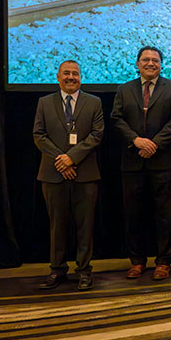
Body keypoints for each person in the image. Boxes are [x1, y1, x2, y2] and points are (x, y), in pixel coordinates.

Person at [111, 46, 171, 280]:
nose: (150, 63)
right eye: (146, 60)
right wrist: (136, 140)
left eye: (155, 60)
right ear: (137, 63)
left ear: (161, 64)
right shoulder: (124, 89)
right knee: (134, 215)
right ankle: (137, 261)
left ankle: (163, 261)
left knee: (165, 215)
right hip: (132, 162)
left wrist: (154, 144)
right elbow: (116, 119)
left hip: (162, 162)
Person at [33, 60, 103, 290]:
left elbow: (96, 135)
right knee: (57, 225)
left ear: (81, 77)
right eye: (66, 73)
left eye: (75, 73)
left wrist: (72, 157)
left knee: (85, 226)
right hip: (52, 174)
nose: (71, 77)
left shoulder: (94, 103)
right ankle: (57, 269)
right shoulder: (44, 103)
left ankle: (84, 270)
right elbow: (39, 135)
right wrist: (62, 161)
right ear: (58, 77)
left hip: (85, 174)